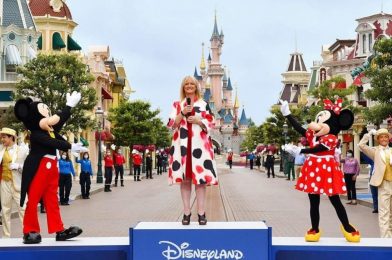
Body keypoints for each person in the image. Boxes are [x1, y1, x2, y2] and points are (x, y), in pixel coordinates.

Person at [167, 75, 217, 226]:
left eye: (192, 84)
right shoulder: (177, 105)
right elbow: (171, 124)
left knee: (200, 181)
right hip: (182, 147)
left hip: (199, 147)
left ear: (196, 87)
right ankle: (186, 212)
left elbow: (211, 121)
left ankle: (201, 212)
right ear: (183, 87)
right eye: (186, 84)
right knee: (185, 180)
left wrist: (198, 120)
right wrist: (182, 113)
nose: (189, 86)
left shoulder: (203, 104)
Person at [359, 128, 392, 237]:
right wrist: (368, 134)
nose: (384, 139)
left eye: (386, 137)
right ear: (378, 139)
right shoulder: (375, 151)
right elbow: (361, 145)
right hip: (383, 184)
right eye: (381, 137)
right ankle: (385, 239)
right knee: (384, 213)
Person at [0, 127, 29, 238]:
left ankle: (27, 233)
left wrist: (19, 166)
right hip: (4, 183)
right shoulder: (0, 149)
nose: (2, 140)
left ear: (11, 137)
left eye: (4, 137)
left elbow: (29, 167)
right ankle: (6, 236)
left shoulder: (22, 150)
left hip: (19, 184)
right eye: (1, 137)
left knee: (24, 209)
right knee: (5, 210)